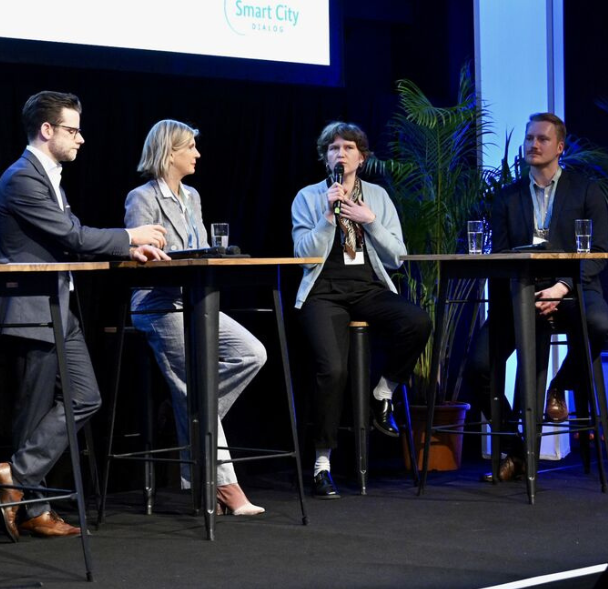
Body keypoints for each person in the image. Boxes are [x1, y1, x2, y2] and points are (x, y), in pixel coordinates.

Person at [0, 90, 168, 539]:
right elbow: (73, 235)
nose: (81, 139)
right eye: (73, 130)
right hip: (30, 310)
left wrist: (133, 247)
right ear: (46, 131)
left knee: (86, 396)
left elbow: (75, 235)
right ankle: (35, 508)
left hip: (58, 309)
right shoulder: (22, 178)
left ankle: (17, 477)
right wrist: (130, 235)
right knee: (33, 413)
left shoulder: (50, 177)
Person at [124, 119, 267, 515]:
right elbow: (138, 253)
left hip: (195, 302)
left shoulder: (194, 197)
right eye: (191, 147)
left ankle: (185, 408)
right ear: (171, 153)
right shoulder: (142, 197)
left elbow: (201, 248)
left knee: (252, 353)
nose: (198, 154)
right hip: (157, 304)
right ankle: (226, 488)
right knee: (194, 389)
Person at [466, 112, 608, 481]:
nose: (533, 144)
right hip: (521, 295)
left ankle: (558, 385)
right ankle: (515, 448)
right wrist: (524, 297)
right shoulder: (507, 197)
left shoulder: (585, 190)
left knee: (598, 325)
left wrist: (561, 288)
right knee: (479, 366)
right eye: (529, 138)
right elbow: (498, 256)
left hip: (572, 289)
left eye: (542, 139)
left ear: (559, 147)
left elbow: (597, 251)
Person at [291, 121, 431, 498]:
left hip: (368, 287)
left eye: (348, 148)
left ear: (362, 157)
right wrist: (328, 217)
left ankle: (382, 393)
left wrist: (369, 222)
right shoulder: (307, 197)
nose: (340, 154)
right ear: (325, 158)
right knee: (332, 369)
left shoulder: (378, 198)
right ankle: (323, 463)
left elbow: (398, 258)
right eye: (333, 148)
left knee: (417, 321)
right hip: (323, 291)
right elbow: (303, 257)